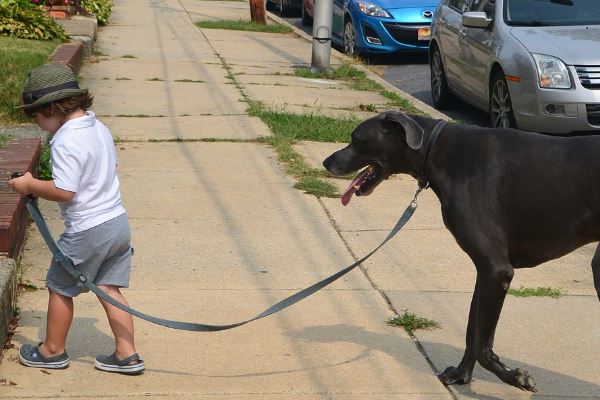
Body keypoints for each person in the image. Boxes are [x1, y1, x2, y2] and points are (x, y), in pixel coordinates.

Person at [8, 64, 144, 375]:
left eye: (38, 118)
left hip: (88, 229)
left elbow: (65, 190)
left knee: (60, 286)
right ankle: (127, 353)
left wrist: (29, 185)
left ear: (52, 108)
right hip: (116, 222)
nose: (40, 125)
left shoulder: (66, 140)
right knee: (109, 288)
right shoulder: (98, 128)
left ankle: (52, 350)